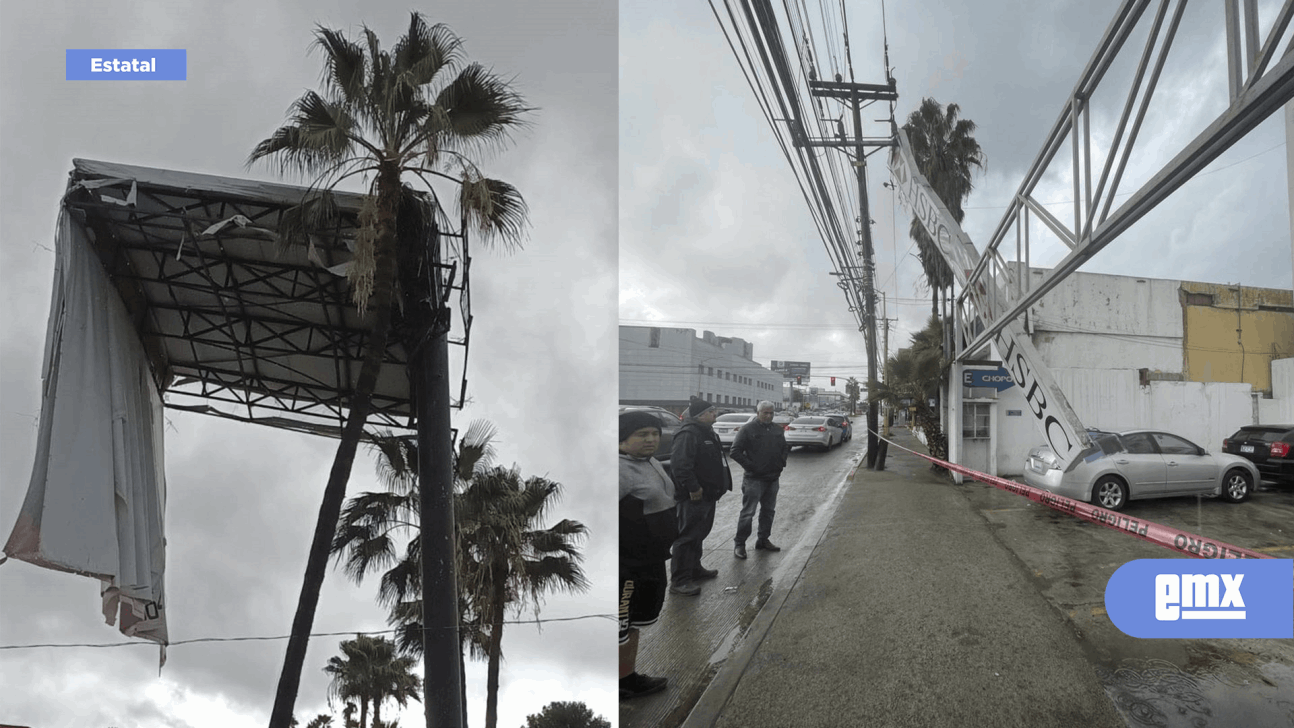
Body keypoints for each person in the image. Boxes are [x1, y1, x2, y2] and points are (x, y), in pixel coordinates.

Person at [619, 410, 677, 699]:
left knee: (637, 621)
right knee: (621, 624)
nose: (651, 439)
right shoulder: (618, 470)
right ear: (622, 439)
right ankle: (619, 682)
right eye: (642, 434)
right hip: (628, 564)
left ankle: (627, 676)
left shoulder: (649, 461)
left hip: (651, 559)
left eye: (654, 433)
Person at [669, 396, 732, 595]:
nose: (715, 414)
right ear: (700, 415)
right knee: (687, 537)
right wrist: (693, 488)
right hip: (694, 496)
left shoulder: (707, 431)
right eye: (711, 412)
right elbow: (681, 466)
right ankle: (680, 581)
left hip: (708, 494)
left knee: (699, 534)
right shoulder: (689, 434)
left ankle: (694, 568)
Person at [728, 400, 790, 559]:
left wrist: (781, 464)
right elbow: (735, 451)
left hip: (773, 479)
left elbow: (784, 448)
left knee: (768, 511)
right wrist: (752, 467)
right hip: (754, 480)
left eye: (771, 413)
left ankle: (763, 540)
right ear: (758, 413)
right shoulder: (747, 429)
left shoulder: (777, 429)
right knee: (748, 513)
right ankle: (740, 544)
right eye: (765, 413)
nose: (768, 415)